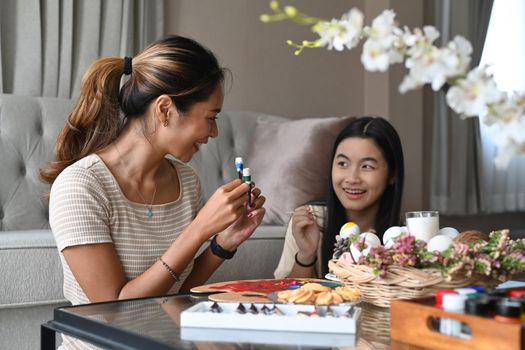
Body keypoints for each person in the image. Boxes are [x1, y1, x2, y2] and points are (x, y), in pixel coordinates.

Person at [40, 35, 266, 310]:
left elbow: (174, 295)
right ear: (164, 109)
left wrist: (223, 243)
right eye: (210, 118)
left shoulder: (186, 181)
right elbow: (115, 309)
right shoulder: (81, 186)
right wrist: (198, 229)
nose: (214, 132)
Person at [274, 116, 404, 279]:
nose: (352, 178)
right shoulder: (311, 220)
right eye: (343, 164)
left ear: (392, 175)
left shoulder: (403, 239)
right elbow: (288, 296)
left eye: (367, 166)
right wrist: (306, 255)